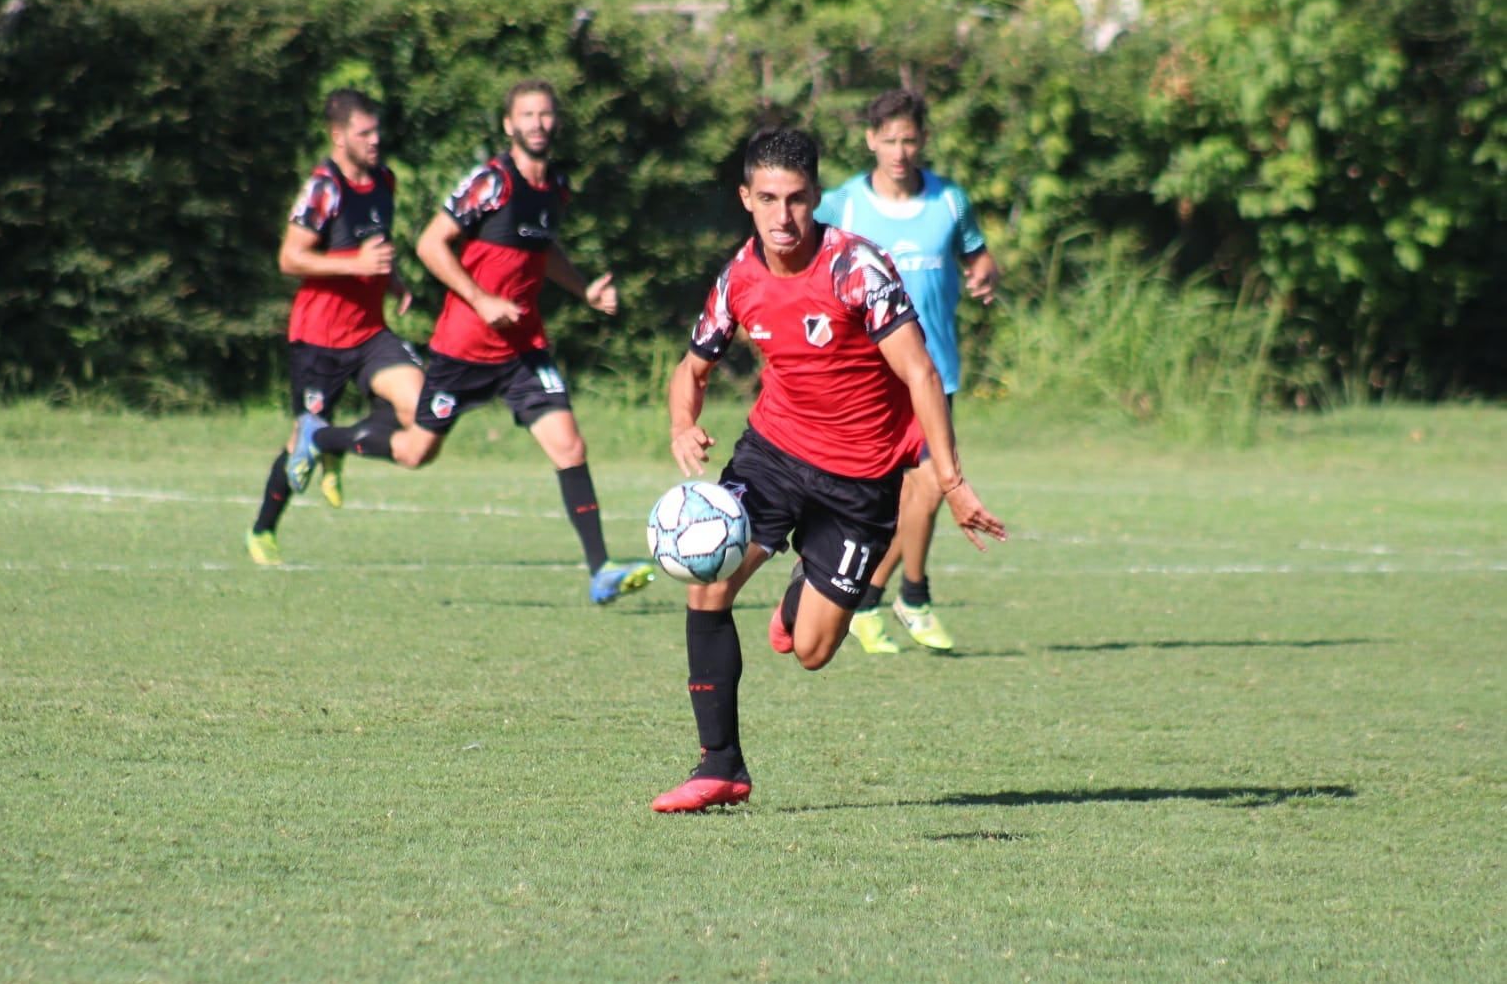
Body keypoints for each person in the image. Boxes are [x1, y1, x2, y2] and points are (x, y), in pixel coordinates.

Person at [651, 128, 1006, 813]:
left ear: (817, 197)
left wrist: (952, 481)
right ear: (745, 199)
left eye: (797, 199)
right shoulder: (739, 279)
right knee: (707, 586)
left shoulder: (855, 269)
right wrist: (681, 424)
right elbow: (690, 370)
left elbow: (921, 372)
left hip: (861, 480)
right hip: (772, 455)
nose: (783, 217)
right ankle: (719, 764)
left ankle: (802, 585)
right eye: (768, 200)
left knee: (810, 649)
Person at [412, 79, 653, 605]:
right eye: (527, 115)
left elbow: (545, 252)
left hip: (522, 350)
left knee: (570, 445)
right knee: (416, 452)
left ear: (555, 122)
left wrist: (584, 290)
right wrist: (481, 300)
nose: (538, 123)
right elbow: (429, 244)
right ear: (508, 125)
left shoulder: (554, 188)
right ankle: (327, 440)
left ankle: (601, 571)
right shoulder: (490, 182)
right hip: (463, 347)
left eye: (545, 114)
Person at [815, 88, 1000, 655]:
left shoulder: (949, 202)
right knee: (894, 502)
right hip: (864, 378)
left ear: (923, 141)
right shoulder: (842, 205)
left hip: (932, 372)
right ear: (871, 140)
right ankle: (880, 599)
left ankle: (898, 598)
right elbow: (801, 263)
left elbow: (976, 252)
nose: (899, 151)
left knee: (929, 488)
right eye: (889, 140)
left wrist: (986, 271)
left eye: (910, 139)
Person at [246, 88, 441, 567]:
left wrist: (391, 281)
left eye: (377, 131)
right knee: (298, 446)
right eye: (364, 133)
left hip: (370, 334)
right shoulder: (324, 188)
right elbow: (290, 258)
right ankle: (263, 532)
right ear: (338, 136)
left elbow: (371, 249)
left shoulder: (384, 182)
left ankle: (334, 443)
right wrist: (354, 263)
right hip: (318, 340)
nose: (375, 140)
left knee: (421, 408)